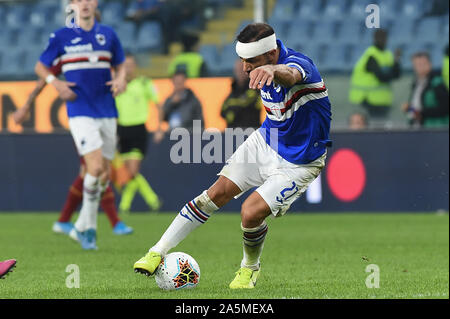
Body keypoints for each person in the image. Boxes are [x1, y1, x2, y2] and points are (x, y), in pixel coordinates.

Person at [133, 23, 332, 289]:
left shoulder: (299, 65)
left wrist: (273, 70)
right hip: (266, 141)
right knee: (214, 194)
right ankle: (157, 251)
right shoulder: (258, 67)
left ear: (271, 55)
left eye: (251, 61)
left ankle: (249, 269)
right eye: (242, 60)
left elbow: (292, 75)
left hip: (300, 162)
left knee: (250, 213)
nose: (245, 67)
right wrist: (264, 68)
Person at [34, 0, 126, 250]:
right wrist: (57, 83)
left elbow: (121, 65)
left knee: (103, 174)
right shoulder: (61, 36)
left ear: (95, 3)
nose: (84, 4)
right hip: (79, 109)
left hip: (107, 109)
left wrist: (120, 79)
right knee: (94, 168)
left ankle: (85, 228)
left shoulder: (108, 34)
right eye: (78, 0)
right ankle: (87, 227)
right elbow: (40, 66)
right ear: (72, 5)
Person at [115, 53, 163, 213]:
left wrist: (159, 128)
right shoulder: (118, 86)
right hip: (121, 131)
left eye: (130, 65)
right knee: (127, 174)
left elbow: (158, 104)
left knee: (133, 171)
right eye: (125, 65)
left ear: (135, 66)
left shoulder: (144, 83)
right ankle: (151, 200)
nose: (128, 69)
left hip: (138, 130)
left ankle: (127, 205)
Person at [349, 29, 401, 121]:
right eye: (379, 37)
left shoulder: (388, 54)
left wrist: (396, 61)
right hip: (368, 100)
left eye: (383, 37)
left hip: (382, 100)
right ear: (374, 38)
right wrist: (391, 72)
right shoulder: (371, 55)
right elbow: (381, 77)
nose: (382, 40)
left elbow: (397, 75)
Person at [401, 52, 449, 128]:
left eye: (423, 64)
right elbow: (417, 110)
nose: (420, 67)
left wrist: (421, 113)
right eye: (417, 64)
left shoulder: (437, 83)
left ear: (430, 64)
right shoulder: (416, 84)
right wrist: (409, 109)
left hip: (435, 129)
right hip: (418, 127)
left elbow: (445, 107)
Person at [221, 59, 261, 129]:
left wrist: (232, 107)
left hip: (251, 131)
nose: (240, 73)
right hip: (232, 132)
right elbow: (222, 111)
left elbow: (245, 102)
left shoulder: (254, 87)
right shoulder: (233, 89)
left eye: (242, 70)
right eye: (238, 70)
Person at [162, 66, 204, 130]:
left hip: (188, 134)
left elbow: (199, 120)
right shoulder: (169, 99)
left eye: (180, 83)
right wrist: (171, 104)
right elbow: (163, 118)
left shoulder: (192, 99)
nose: (177, 85)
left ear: (184, 81)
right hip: (172, 134)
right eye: (176, 82)